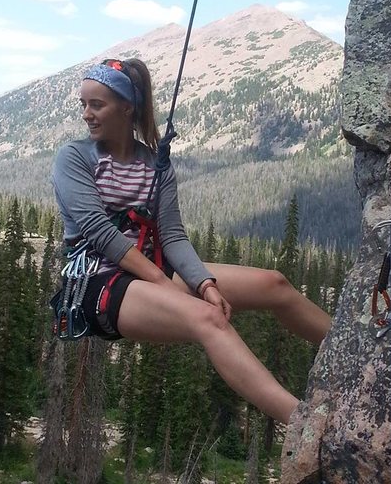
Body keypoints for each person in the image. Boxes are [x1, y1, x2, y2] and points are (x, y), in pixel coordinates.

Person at [52, 58, 331, 425]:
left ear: (126, 107)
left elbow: (173, 236)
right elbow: (100, 233)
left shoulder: (156, 165)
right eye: (84, 105)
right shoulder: (74, 158)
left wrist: (205, 284)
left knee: (274, 284)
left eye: (96, 105)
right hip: (96, 280)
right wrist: (164, 283)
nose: (87, 114)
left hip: (149, 269)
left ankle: (362, 350)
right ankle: (303, 423)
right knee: (208, 318)